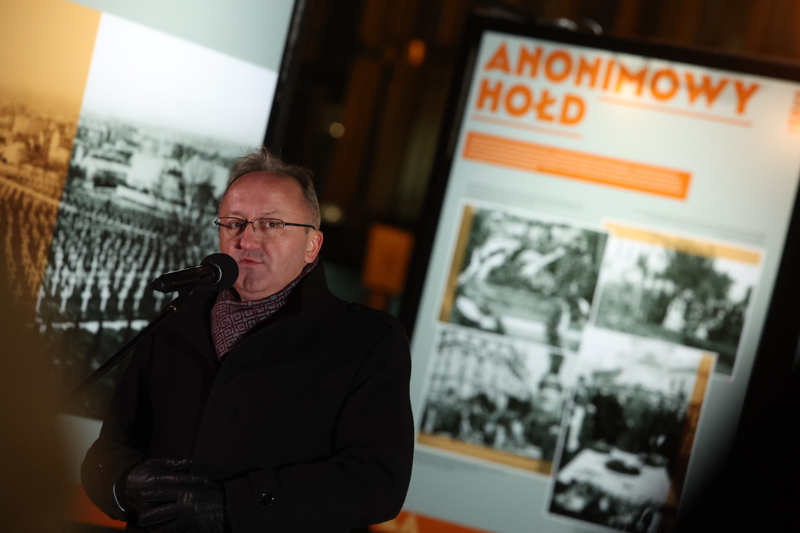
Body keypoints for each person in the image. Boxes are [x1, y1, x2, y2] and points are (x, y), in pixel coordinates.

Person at [81, 148, 415, 532]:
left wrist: (232, 506)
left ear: (312, 246)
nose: (247, 241)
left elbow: (376, 483)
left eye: (271, 224)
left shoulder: (366, 341)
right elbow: (107, 452)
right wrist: (123, 484)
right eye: (233, 223)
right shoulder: (176, 320)